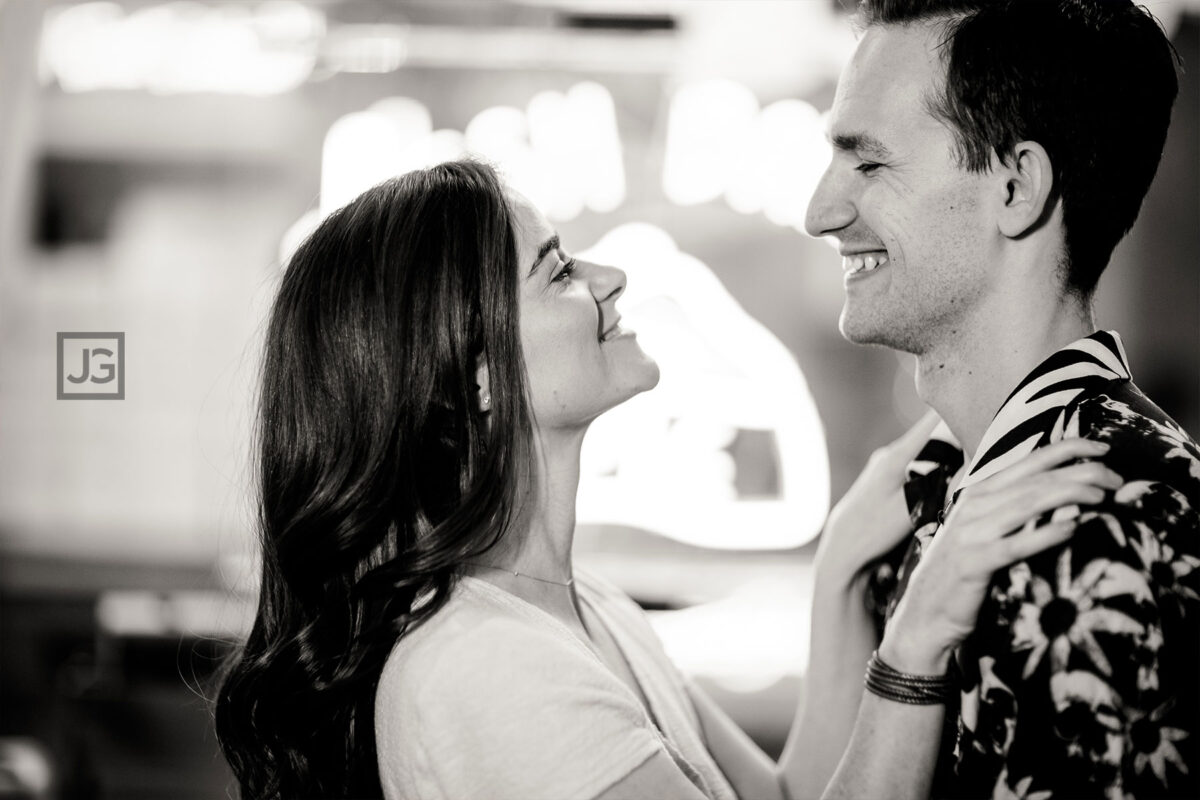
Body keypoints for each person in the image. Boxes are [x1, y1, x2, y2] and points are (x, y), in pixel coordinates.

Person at [214, 160, 1121, 800]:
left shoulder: (585, 608)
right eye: (559, 270)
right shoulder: (478, 669)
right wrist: (918, 635)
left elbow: (790, 794)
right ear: (479, 378)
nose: (610, 278)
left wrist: (845, 557)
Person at [804, 0, 1199, 798]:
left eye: (869, 163)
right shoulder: (951, 493)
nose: (819, 212)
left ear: (1017, 187)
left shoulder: (1091, 530)